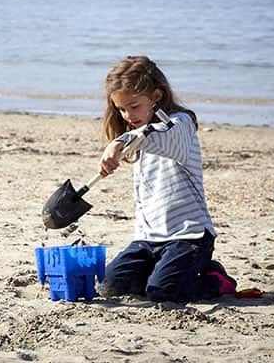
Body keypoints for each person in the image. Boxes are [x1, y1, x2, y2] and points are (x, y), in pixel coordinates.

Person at [94, 56, 232, 302]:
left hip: (189, 236)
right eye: (121, 109)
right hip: (148, 239)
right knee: (110, 286)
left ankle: (214, 279)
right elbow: (141, 136)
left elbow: (158, 135)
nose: (127, 115)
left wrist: (118, 143)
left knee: (163, 293)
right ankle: (162, 271)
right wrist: (123, 141)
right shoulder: (136, 134)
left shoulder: (180, 124)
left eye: (134, 106)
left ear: (156, 96)